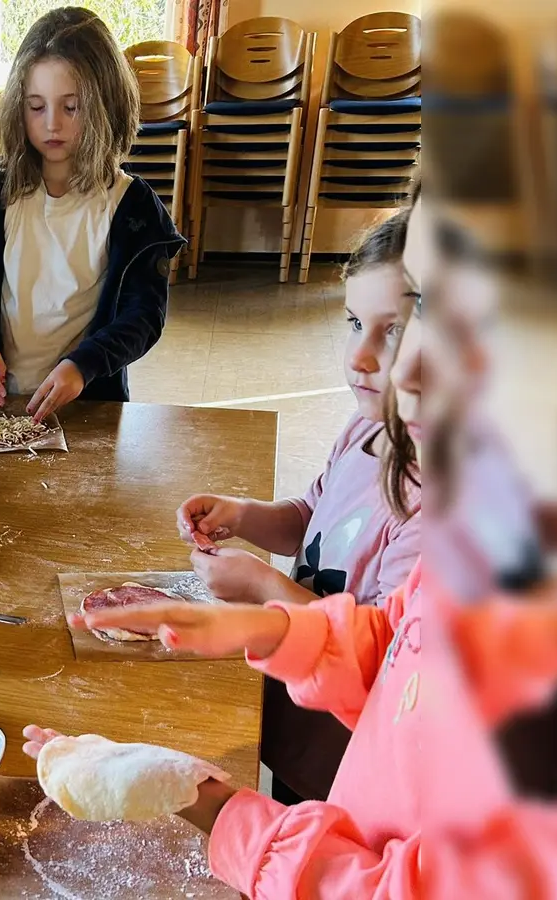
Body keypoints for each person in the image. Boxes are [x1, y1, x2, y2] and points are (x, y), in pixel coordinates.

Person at [23, 190, 557, 898]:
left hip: (327, 768)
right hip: (341, 778)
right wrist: (269, 626)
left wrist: (214, 809)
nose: (396, 369)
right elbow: (405, 656)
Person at [176, 210, 422, 802]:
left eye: (394, 331)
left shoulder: (432, 506)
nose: (359, 356)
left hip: (342, 756)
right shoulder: (366, 428)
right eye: (355, 322)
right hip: (293, 706)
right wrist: (243, 513)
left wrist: (263, 587)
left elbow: (381, 661)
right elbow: (308, 518)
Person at [0, 6, 183, 423]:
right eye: (36, 107)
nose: (52, 124)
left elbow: (143, 316)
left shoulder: (132, 206)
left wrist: (84, 365)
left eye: (71, 107)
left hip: (85, 405)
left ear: (106, 104)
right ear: (18, 105)